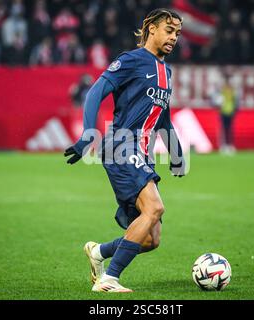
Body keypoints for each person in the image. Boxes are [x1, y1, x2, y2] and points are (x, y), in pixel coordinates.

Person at [64, 9, 185, 293]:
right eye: (169, 30)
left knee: (150, 239)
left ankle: (98, 252)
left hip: (141, 153)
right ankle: (109, 279)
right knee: (155, 208)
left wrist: (176, 153)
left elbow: (163, 118)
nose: (174, 38)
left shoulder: (166, 72)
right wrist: (87, 134)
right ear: (151, 29)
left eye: (177, 33)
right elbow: (96, 91)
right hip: (120, 144)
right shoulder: (131, 60)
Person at [217, 74, 239, 154]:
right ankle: (225, 145)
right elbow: (219, 100)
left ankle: (229, 145)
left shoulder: (230, 91)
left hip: (229, 111)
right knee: (225, 129)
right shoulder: (224, 90)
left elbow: (235, 101)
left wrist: (235, 109)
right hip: (224, 111)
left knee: (229, 129)